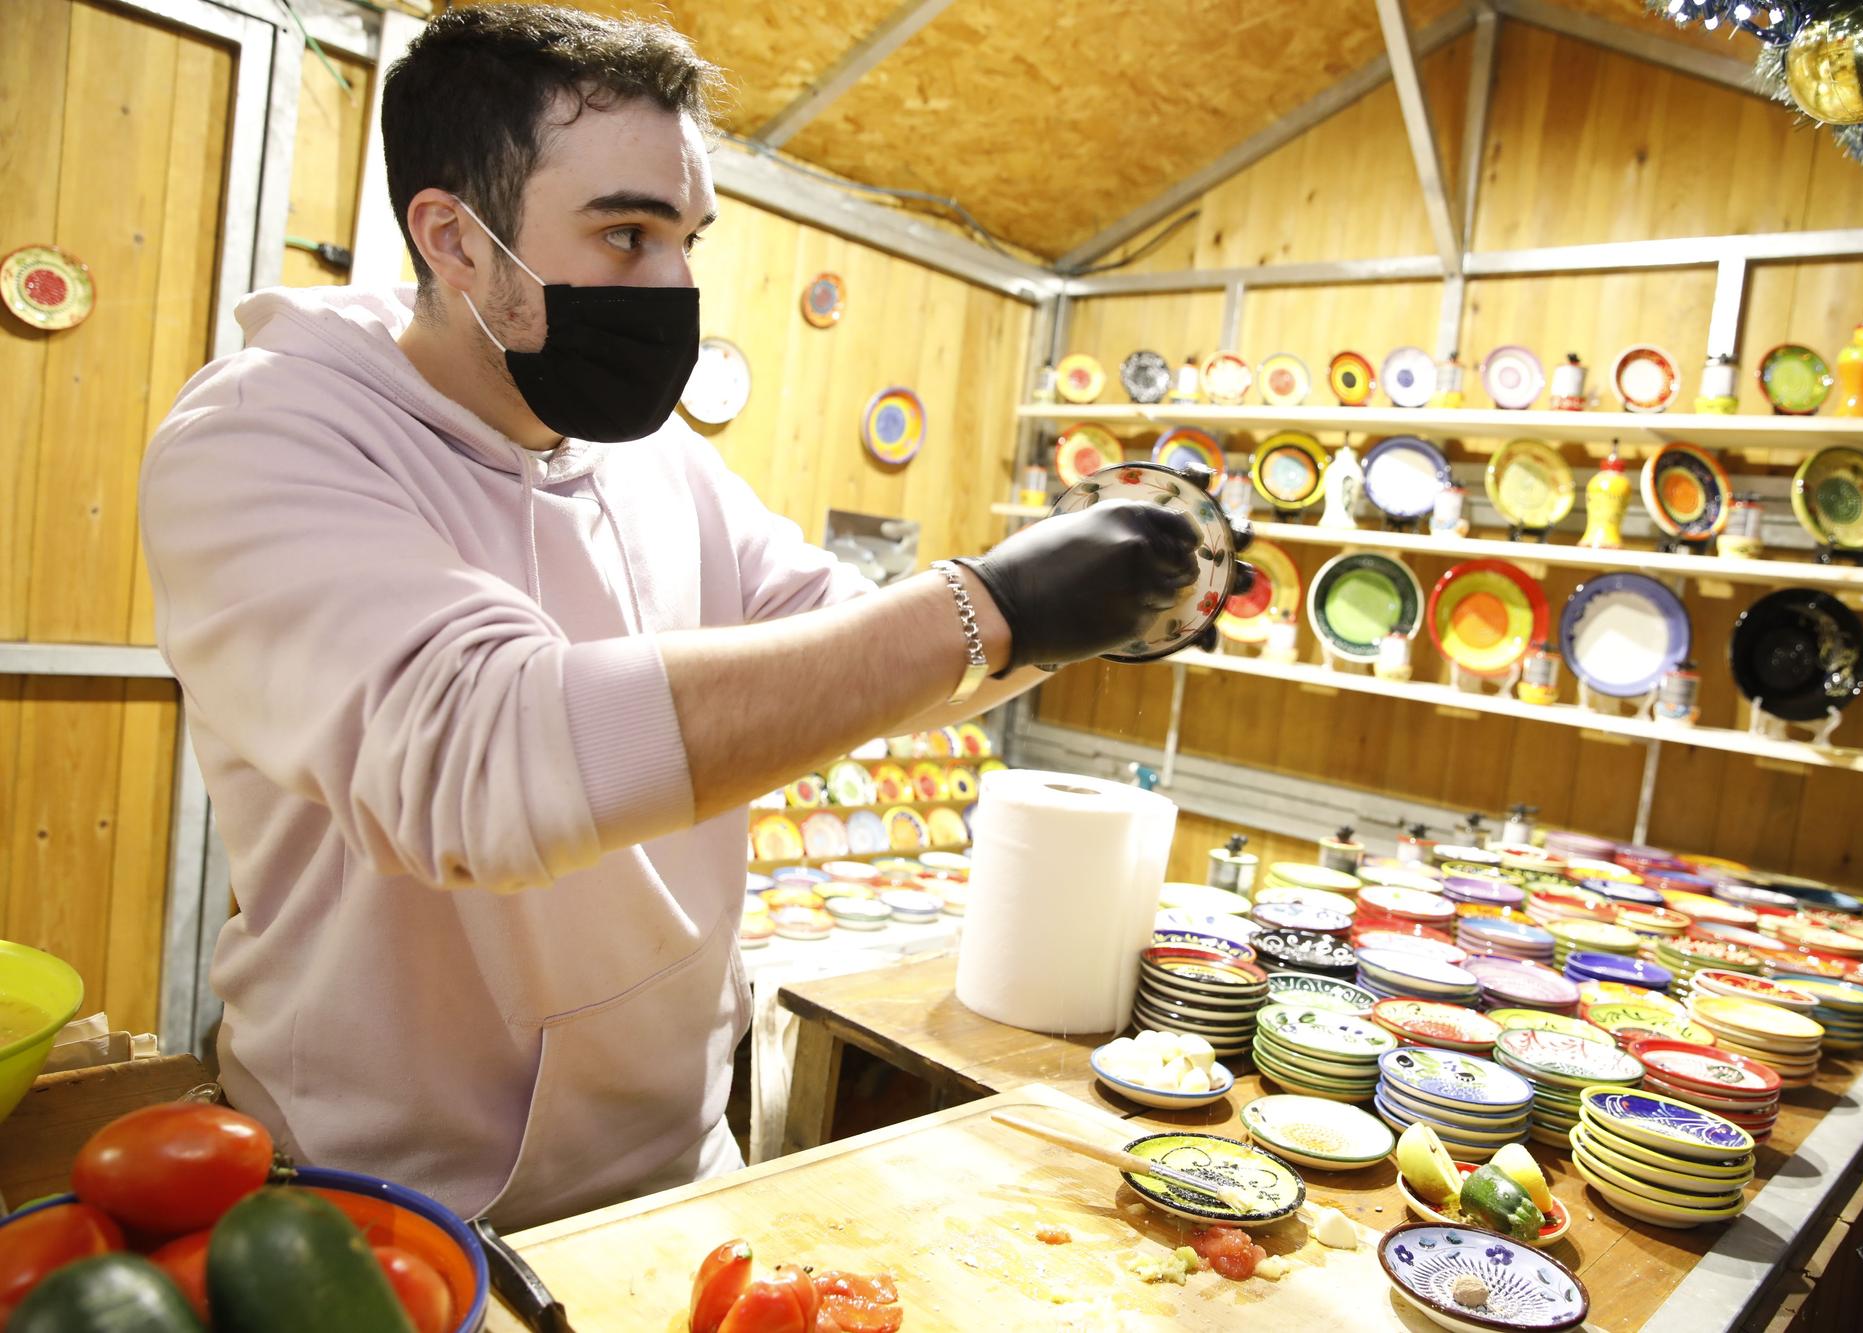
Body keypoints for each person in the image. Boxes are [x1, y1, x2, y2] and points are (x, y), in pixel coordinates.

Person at [137, 4, 1210, 1230]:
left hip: (674, 1173)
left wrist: (1088, 609)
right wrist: (994, 603)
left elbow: (887, 657)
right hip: (383, 1197)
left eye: (687, 237)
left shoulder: (658, 467)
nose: (674, 288)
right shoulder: (268, 440)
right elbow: (476, 754)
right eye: (627, 233)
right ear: (454, 238)